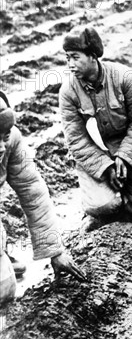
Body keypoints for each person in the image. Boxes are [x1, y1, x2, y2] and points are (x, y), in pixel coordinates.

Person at [59, 27, 132, 232]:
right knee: (101, 206)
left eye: (75, 57)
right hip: (95, 152)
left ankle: (131, 186)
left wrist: (125, 157)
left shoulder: (124, 77)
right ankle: (106, 200)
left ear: (92, 56)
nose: (70, 65)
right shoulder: (68, 92)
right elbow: (76, 140)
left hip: (128, 145)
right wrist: (106, 167)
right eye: (67, 58)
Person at [0, 91, 86, 295]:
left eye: (4, 136)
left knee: (6, 289)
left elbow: (32, 191)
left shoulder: (12, 140)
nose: (1, 147)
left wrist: (54, 250)